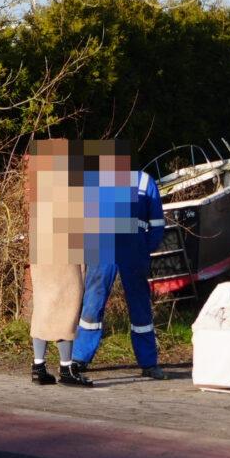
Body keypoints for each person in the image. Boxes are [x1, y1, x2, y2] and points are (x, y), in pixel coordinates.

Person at [65, 140, 165, 385]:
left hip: (132, 250)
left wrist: (145, 249)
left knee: (139, 304)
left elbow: (157, 222)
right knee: (93, 302)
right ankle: (79, 358)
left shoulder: (144, 181)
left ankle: (148, 363)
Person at [25, 138, 86, 385]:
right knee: (67, 308)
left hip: (42, 255)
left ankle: (38, 367)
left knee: (43, 309)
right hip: (64, 256)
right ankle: (66, 368)